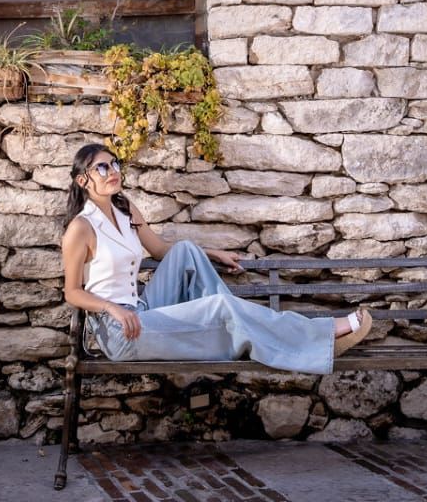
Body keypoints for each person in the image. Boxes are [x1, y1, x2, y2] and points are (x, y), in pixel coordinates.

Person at [61, 142, 372, 376]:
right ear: (83, 181)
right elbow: (72, 292)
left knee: (185, 251)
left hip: (143, 311)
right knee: (222, 306)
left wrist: (211, 253)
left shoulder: (125, 209)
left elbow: (160, 250)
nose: (113, 171)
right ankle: (319, 333)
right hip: (119, 331)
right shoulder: (81, 227)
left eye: (115, 164)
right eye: (102, 168)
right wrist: (111, 307)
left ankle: (241, 330)